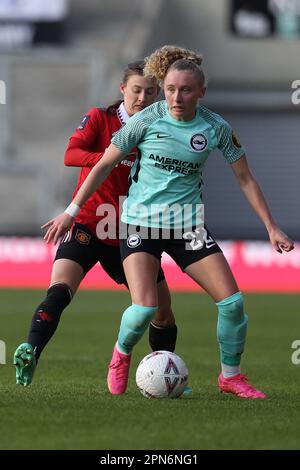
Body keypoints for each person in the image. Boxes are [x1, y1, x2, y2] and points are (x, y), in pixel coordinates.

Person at [41, 45, 294, 398]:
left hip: (187, 225)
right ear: (164, 88)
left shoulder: (216, 127)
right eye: (171, 89)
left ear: (201, 92)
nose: (177, 97)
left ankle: (230, 377)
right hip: (140, 224)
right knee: (145, 307)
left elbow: (246, 179)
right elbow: (103, 165)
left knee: (232, 303)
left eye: (186, 90)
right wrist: (71, 211)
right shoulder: (146, 119)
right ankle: (121, 354)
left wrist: (271, 225)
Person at [14, 60, 180, 387]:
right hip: (89, 224)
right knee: (59, 290)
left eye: (150, 91)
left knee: (162, 312)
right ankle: (31, 350)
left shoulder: (160, 127)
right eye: (136, 90)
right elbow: (71, 154)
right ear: (123, 90)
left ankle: (167, 373)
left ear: (157, 92)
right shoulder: (100, 118)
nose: (142, 97)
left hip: (133, 233)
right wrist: (110, 156)